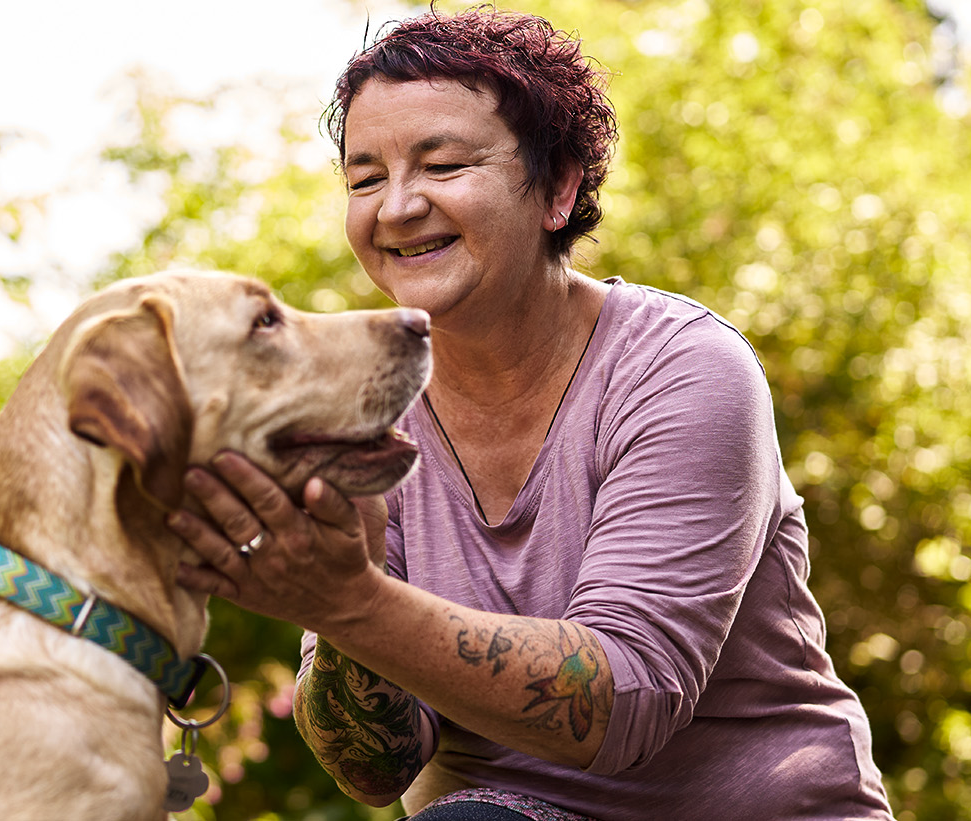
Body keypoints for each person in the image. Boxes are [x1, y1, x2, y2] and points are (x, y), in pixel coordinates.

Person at [165, 9, 891, 821]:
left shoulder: (682, 367)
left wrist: (351, 602)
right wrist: (333, 602)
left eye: (441, 164)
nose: (397, 207)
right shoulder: (362, 411)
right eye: (364, 178)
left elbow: (628, 699)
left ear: (559, 187)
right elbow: (376, 767)